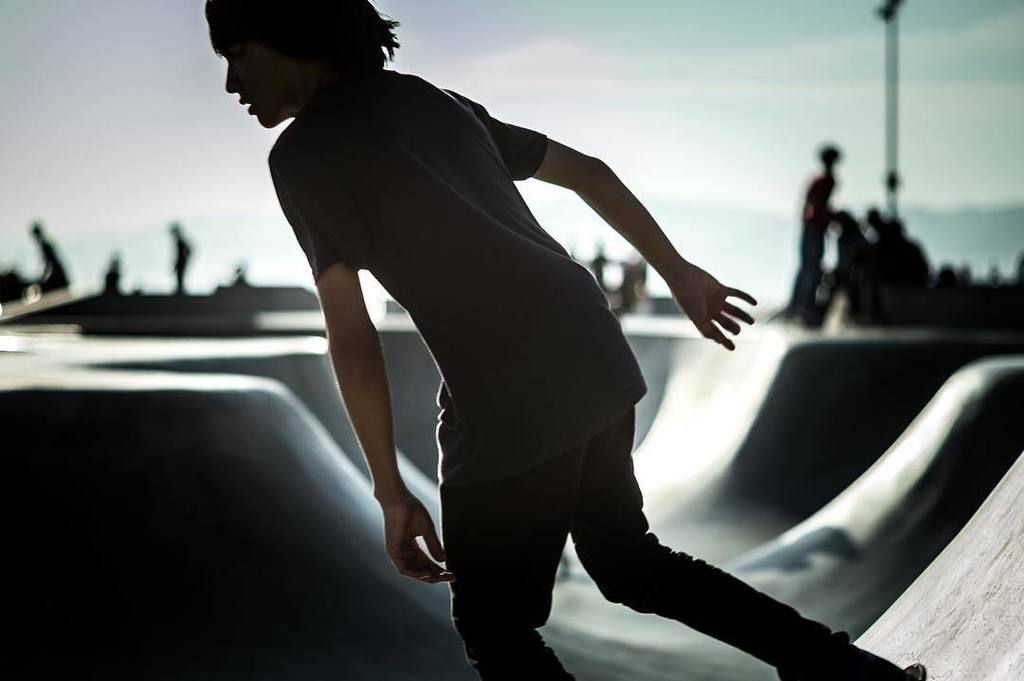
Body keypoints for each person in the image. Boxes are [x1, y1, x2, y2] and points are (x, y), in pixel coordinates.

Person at [206, 2, 926, 680]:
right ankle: (848, 671)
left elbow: (353, 338)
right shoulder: (435, 100)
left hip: (507, 389)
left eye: (237, 55)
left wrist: (391, 492)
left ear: (288, 39)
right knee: (628, 563)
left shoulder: (302, 157)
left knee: (493, 628)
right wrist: (679, 275)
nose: (231, 83)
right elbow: (588, 173)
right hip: (591, 348)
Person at [787, 145, 841, 326]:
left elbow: (811, 205)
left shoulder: (819, 179)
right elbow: (818, 206)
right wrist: (831, 218)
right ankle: (802, 308)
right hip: (814, 228)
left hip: (811, 227)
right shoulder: (826, 180)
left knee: (807, 268)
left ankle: (797, 307)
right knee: (811, 268)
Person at [29, 221, 70, 293]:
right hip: (56, 274)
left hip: (57, 276)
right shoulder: (45, 244)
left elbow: (49, 263)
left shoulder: (45, 245)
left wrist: (43, 278)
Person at [169, 222, 193, 295]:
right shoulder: (180, 241)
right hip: (181, 261)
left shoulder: (181, 241)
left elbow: (189, 251)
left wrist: (184, 259)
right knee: (179, 276)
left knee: (180, 276)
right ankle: (180, 290)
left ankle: (180, 291)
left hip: (181, 262)